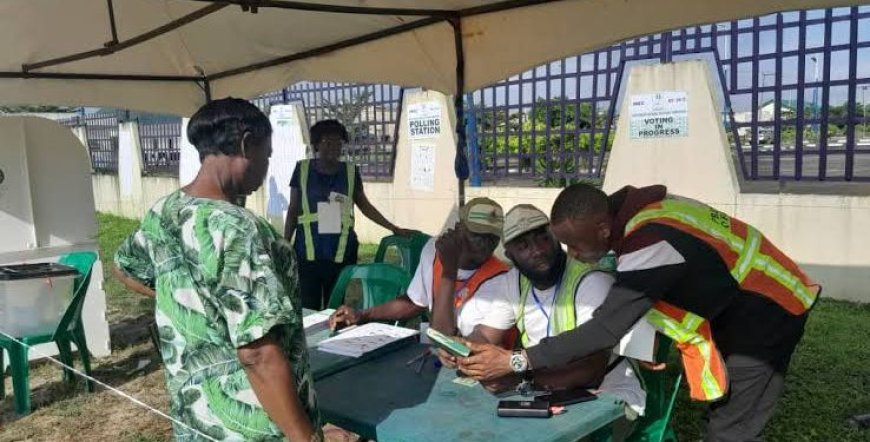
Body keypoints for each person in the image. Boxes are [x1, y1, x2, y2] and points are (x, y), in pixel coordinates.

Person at [459, 184, 820, 442]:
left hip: (770, 306)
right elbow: (670, 280)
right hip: (738, 298)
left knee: (731, 428)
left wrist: (516, 362)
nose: (572, 252)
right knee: (728, 410)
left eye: (575, 243)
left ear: (603, 228)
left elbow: (604, 330)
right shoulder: (631, 214)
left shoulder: (648, 240)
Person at [113, 98, 321, 442]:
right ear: (245, 144)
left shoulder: (164, 211)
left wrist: (188, 300)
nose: (265, 166)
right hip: (258, 423)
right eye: (266, 155)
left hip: (198, 419)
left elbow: (125, 269)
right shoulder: (236, 229)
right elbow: (257, 353)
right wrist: (304, 437)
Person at [468, 204, 647, 432]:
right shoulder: (513, 281)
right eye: (523, 246)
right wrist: (467, 353)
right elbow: (484, 334)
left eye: (542, 238)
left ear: (556, 237)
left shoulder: (591, 282)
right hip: (546, 389)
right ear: (510, 255)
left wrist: (518, 380)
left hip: (607, 396)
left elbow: (591, 372)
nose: (537, 250)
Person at [329, 197, 513, 346]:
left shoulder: (502, 278)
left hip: (475, 363)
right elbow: (414, 302)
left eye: (492, 237)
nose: (484, 243)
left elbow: (443, 337)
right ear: (459, 229)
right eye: (477, 234)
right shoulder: (433, 249)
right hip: (442, 356)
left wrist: (449, 269)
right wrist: (363, 315)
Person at [285, 119, 411, 310]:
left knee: (335, 305)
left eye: (338, 142)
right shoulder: (302, 170)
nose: (334, 147)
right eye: (328, 142)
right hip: (307, 252)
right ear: (317, 144)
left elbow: (365, 206)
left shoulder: (351, 172)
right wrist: (285, 242)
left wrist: (393, 228)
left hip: (341, 251)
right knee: (308, 306)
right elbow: (294, 209)